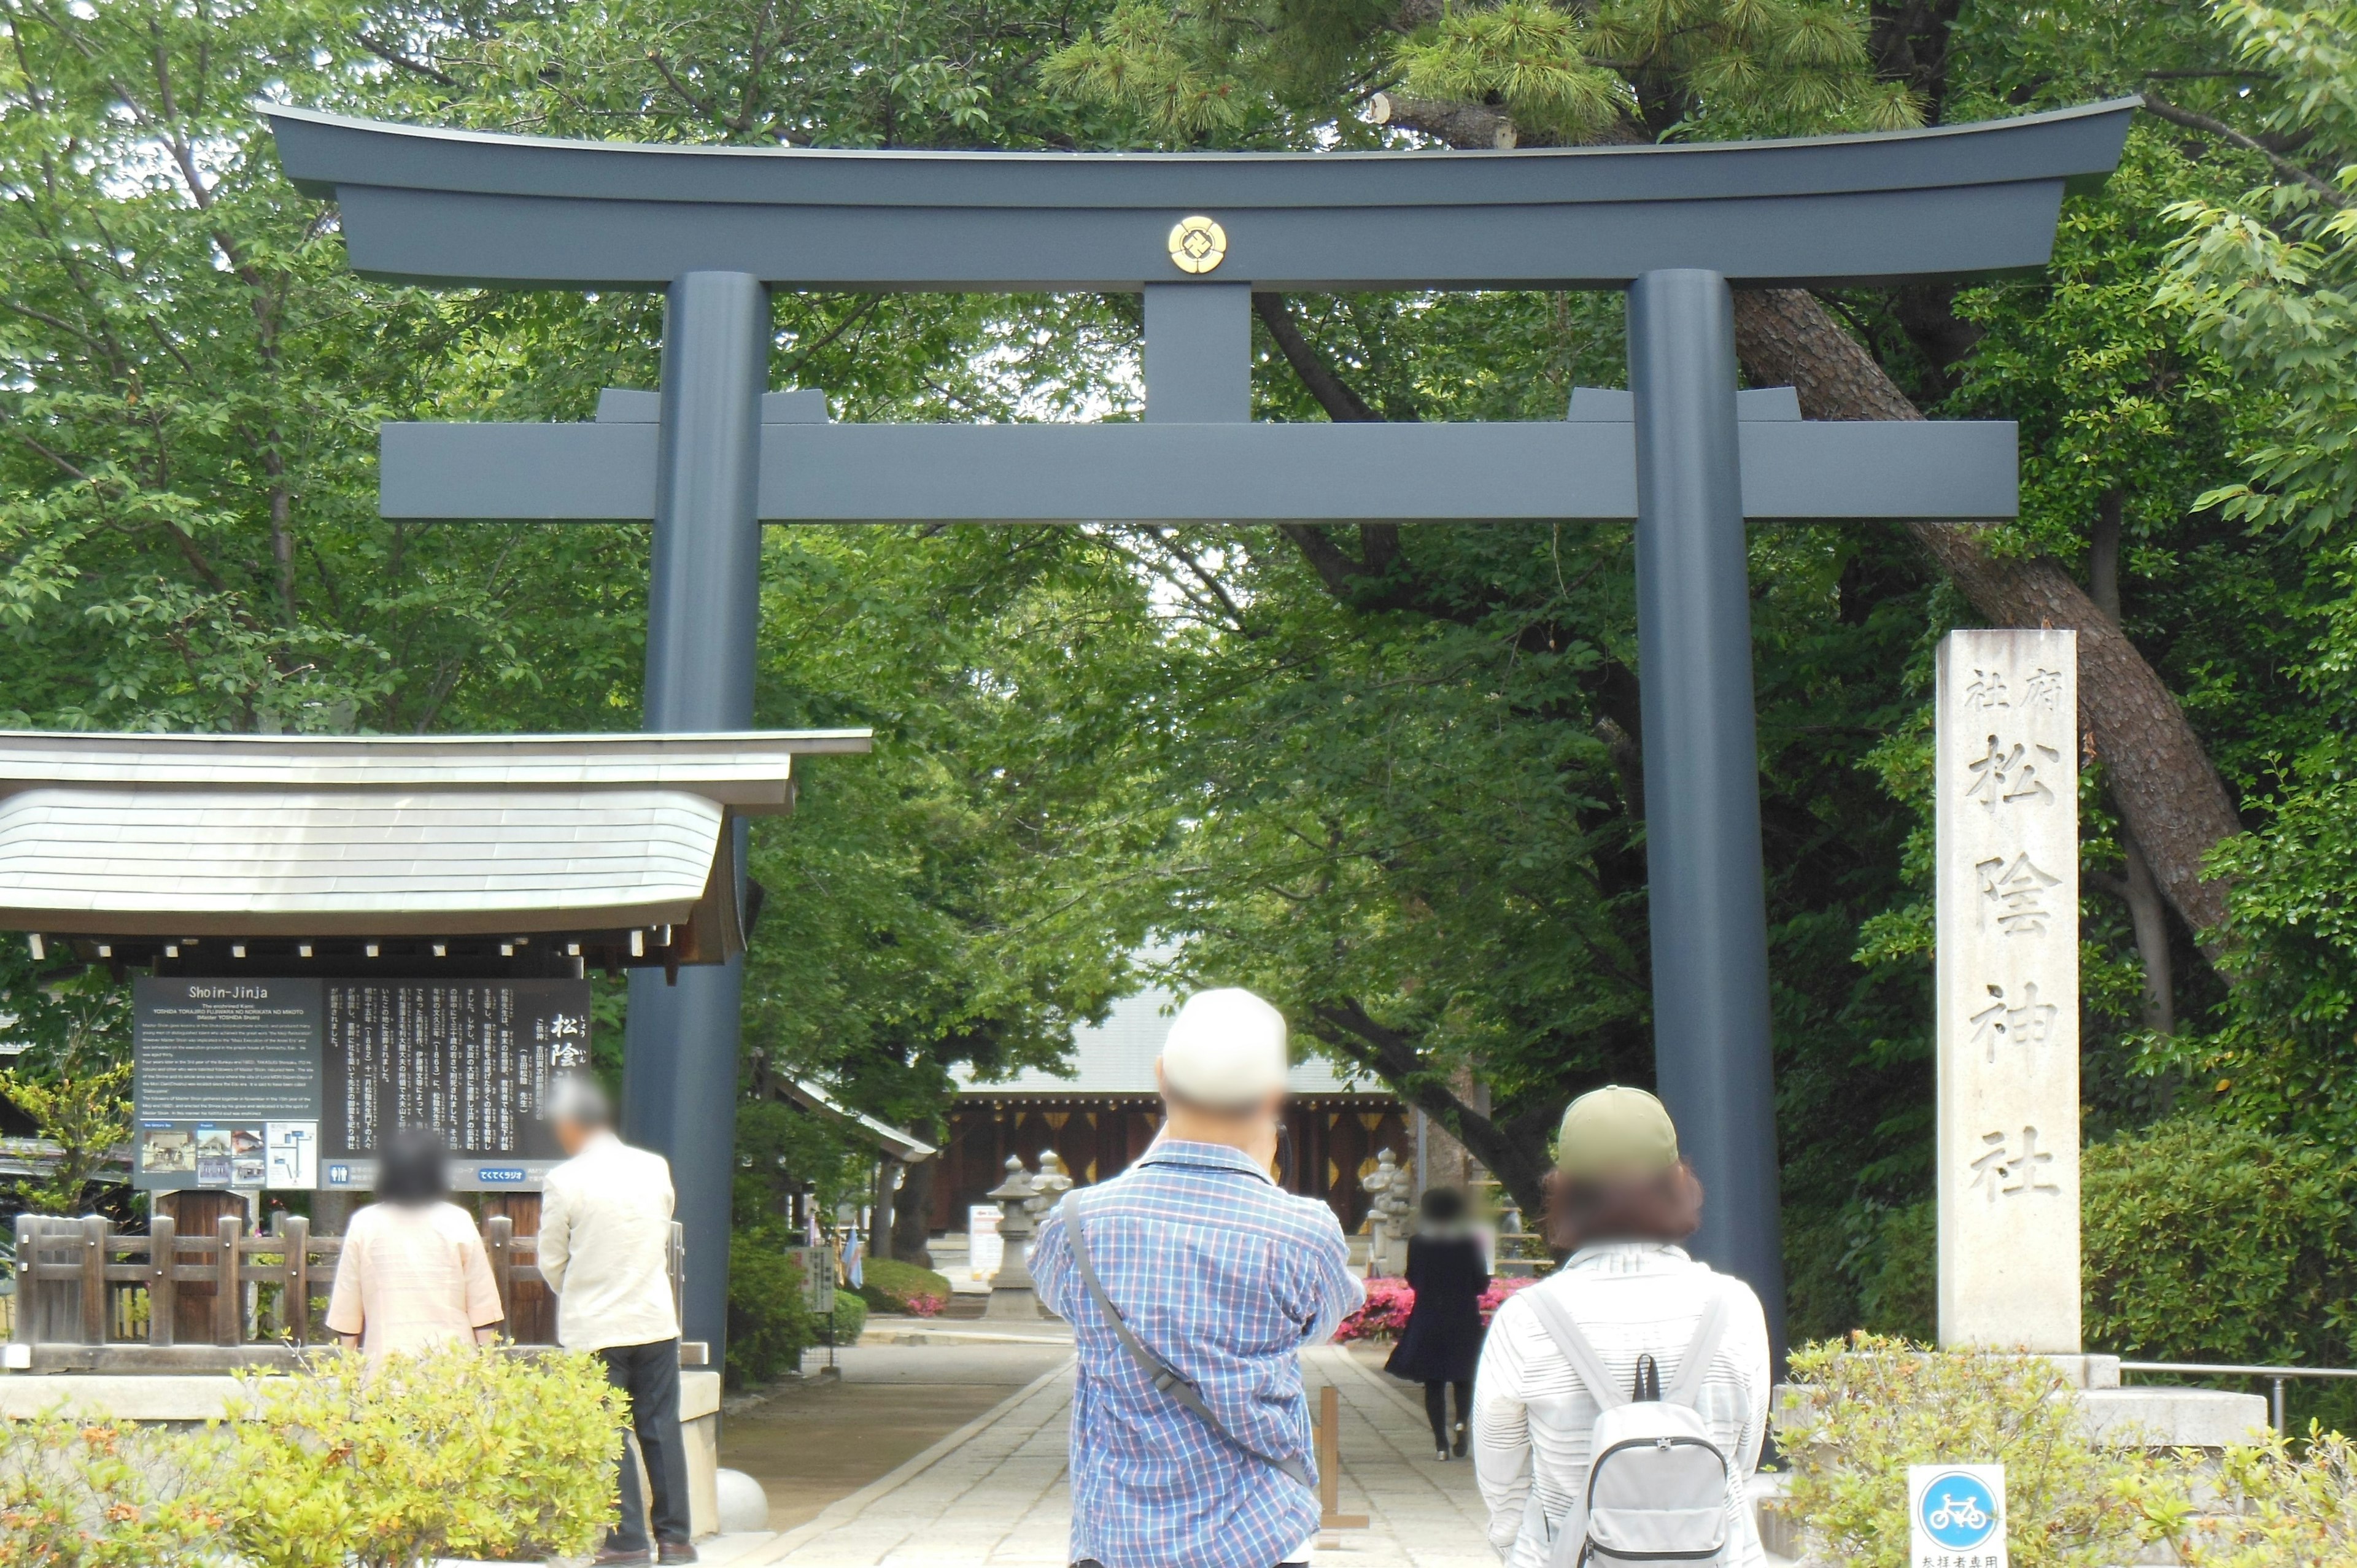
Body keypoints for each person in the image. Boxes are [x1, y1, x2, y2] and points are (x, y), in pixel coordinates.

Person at [1031, 987, 1364, 1568]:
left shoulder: (1078, 1222)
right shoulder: (1303, 1228)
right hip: (1261, 1534)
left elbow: (1061, 1299)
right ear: (1273, 1096)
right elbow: (1321, 1326)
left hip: (1118, 1537)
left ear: (1161, 1077)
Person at [1473, 1086, 1771, 1568]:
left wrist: (1523, 1547)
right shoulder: (1735, 1306)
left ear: (1564, 1189)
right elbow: (1740, 1460)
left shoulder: (1527, 1319)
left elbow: (1501, 1477)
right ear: (1678, 1181)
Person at [540, 1076, 696, 1567]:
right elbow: (660, 1224)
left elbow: (551, 1260)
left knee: (608, 1430)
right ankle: (676, 1540)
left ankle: (626, 1540)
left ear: (570, 1125)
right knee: (660, 1427)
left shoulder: (565, 1180)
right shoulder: (654, 1167)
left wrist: (580, 1287)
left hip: (596, 1325)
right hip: (653, 1316)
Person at [323, 1125, 504, 1359]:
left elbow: (347, 1311)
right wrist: (489, 1369)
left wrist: (348, 1374)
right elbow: (483, 1307)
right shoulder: (458, 1221)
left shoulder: (364, 1224)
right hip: (451, 1369)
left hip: (386, 1368)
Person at [1384, 1185, 1489, 1460]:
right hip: (1463, 1316)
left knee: (1434, 1382)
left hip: (1429, 1316)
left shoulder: (1418, 1243)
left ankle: (1441, 1444)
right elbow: (1481, 1283)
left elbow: (1414, 1279)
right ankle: (1461, 1422)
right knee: (1464, 1377)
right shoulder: (1470, 1243)